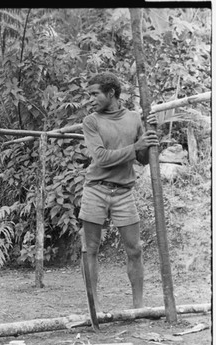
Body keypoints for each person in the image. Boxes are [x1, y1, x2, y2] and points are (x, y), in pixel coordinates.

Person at [79, 72, 159, 311]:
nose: (90, 99)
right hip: (95, 190)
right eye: (89, 95)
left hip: (124, 192)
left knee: (135, 249)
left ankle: (138, 307)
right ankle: (95, 307)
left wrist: (151, 133)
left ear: (111, 93)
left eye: (95, 94)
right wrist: (135, 146)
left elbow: (144, 158)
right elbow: (101, 158)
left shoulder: (134, 118)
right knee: (90, 249)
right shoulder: (91, 121)